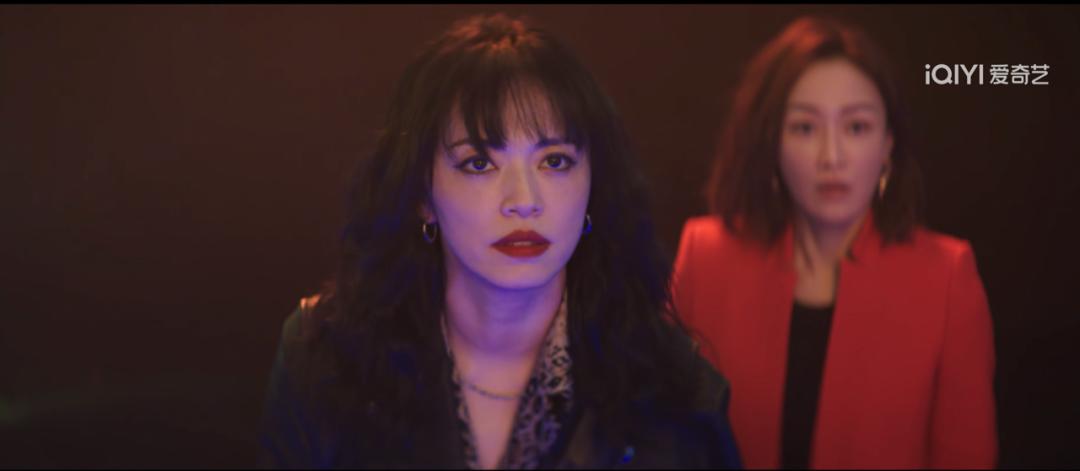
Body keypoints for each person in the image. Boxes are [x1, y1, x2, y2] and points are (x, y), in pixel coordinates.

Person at [257, 13, 741, 469]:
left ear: (594, 184)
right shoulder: (323, 361)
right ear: (422, 195)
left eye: (554, 162)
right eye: (479, 163)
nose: (524, 201)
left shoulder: (674, 390)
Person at [672, 16, 996, 469]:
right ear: (771, 141)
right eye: (805, 128)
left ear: (887, 144)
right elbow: (663, 437)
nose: (832, 156)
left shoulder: (947, 277)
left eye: (856, 127)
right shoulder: (706, 257)